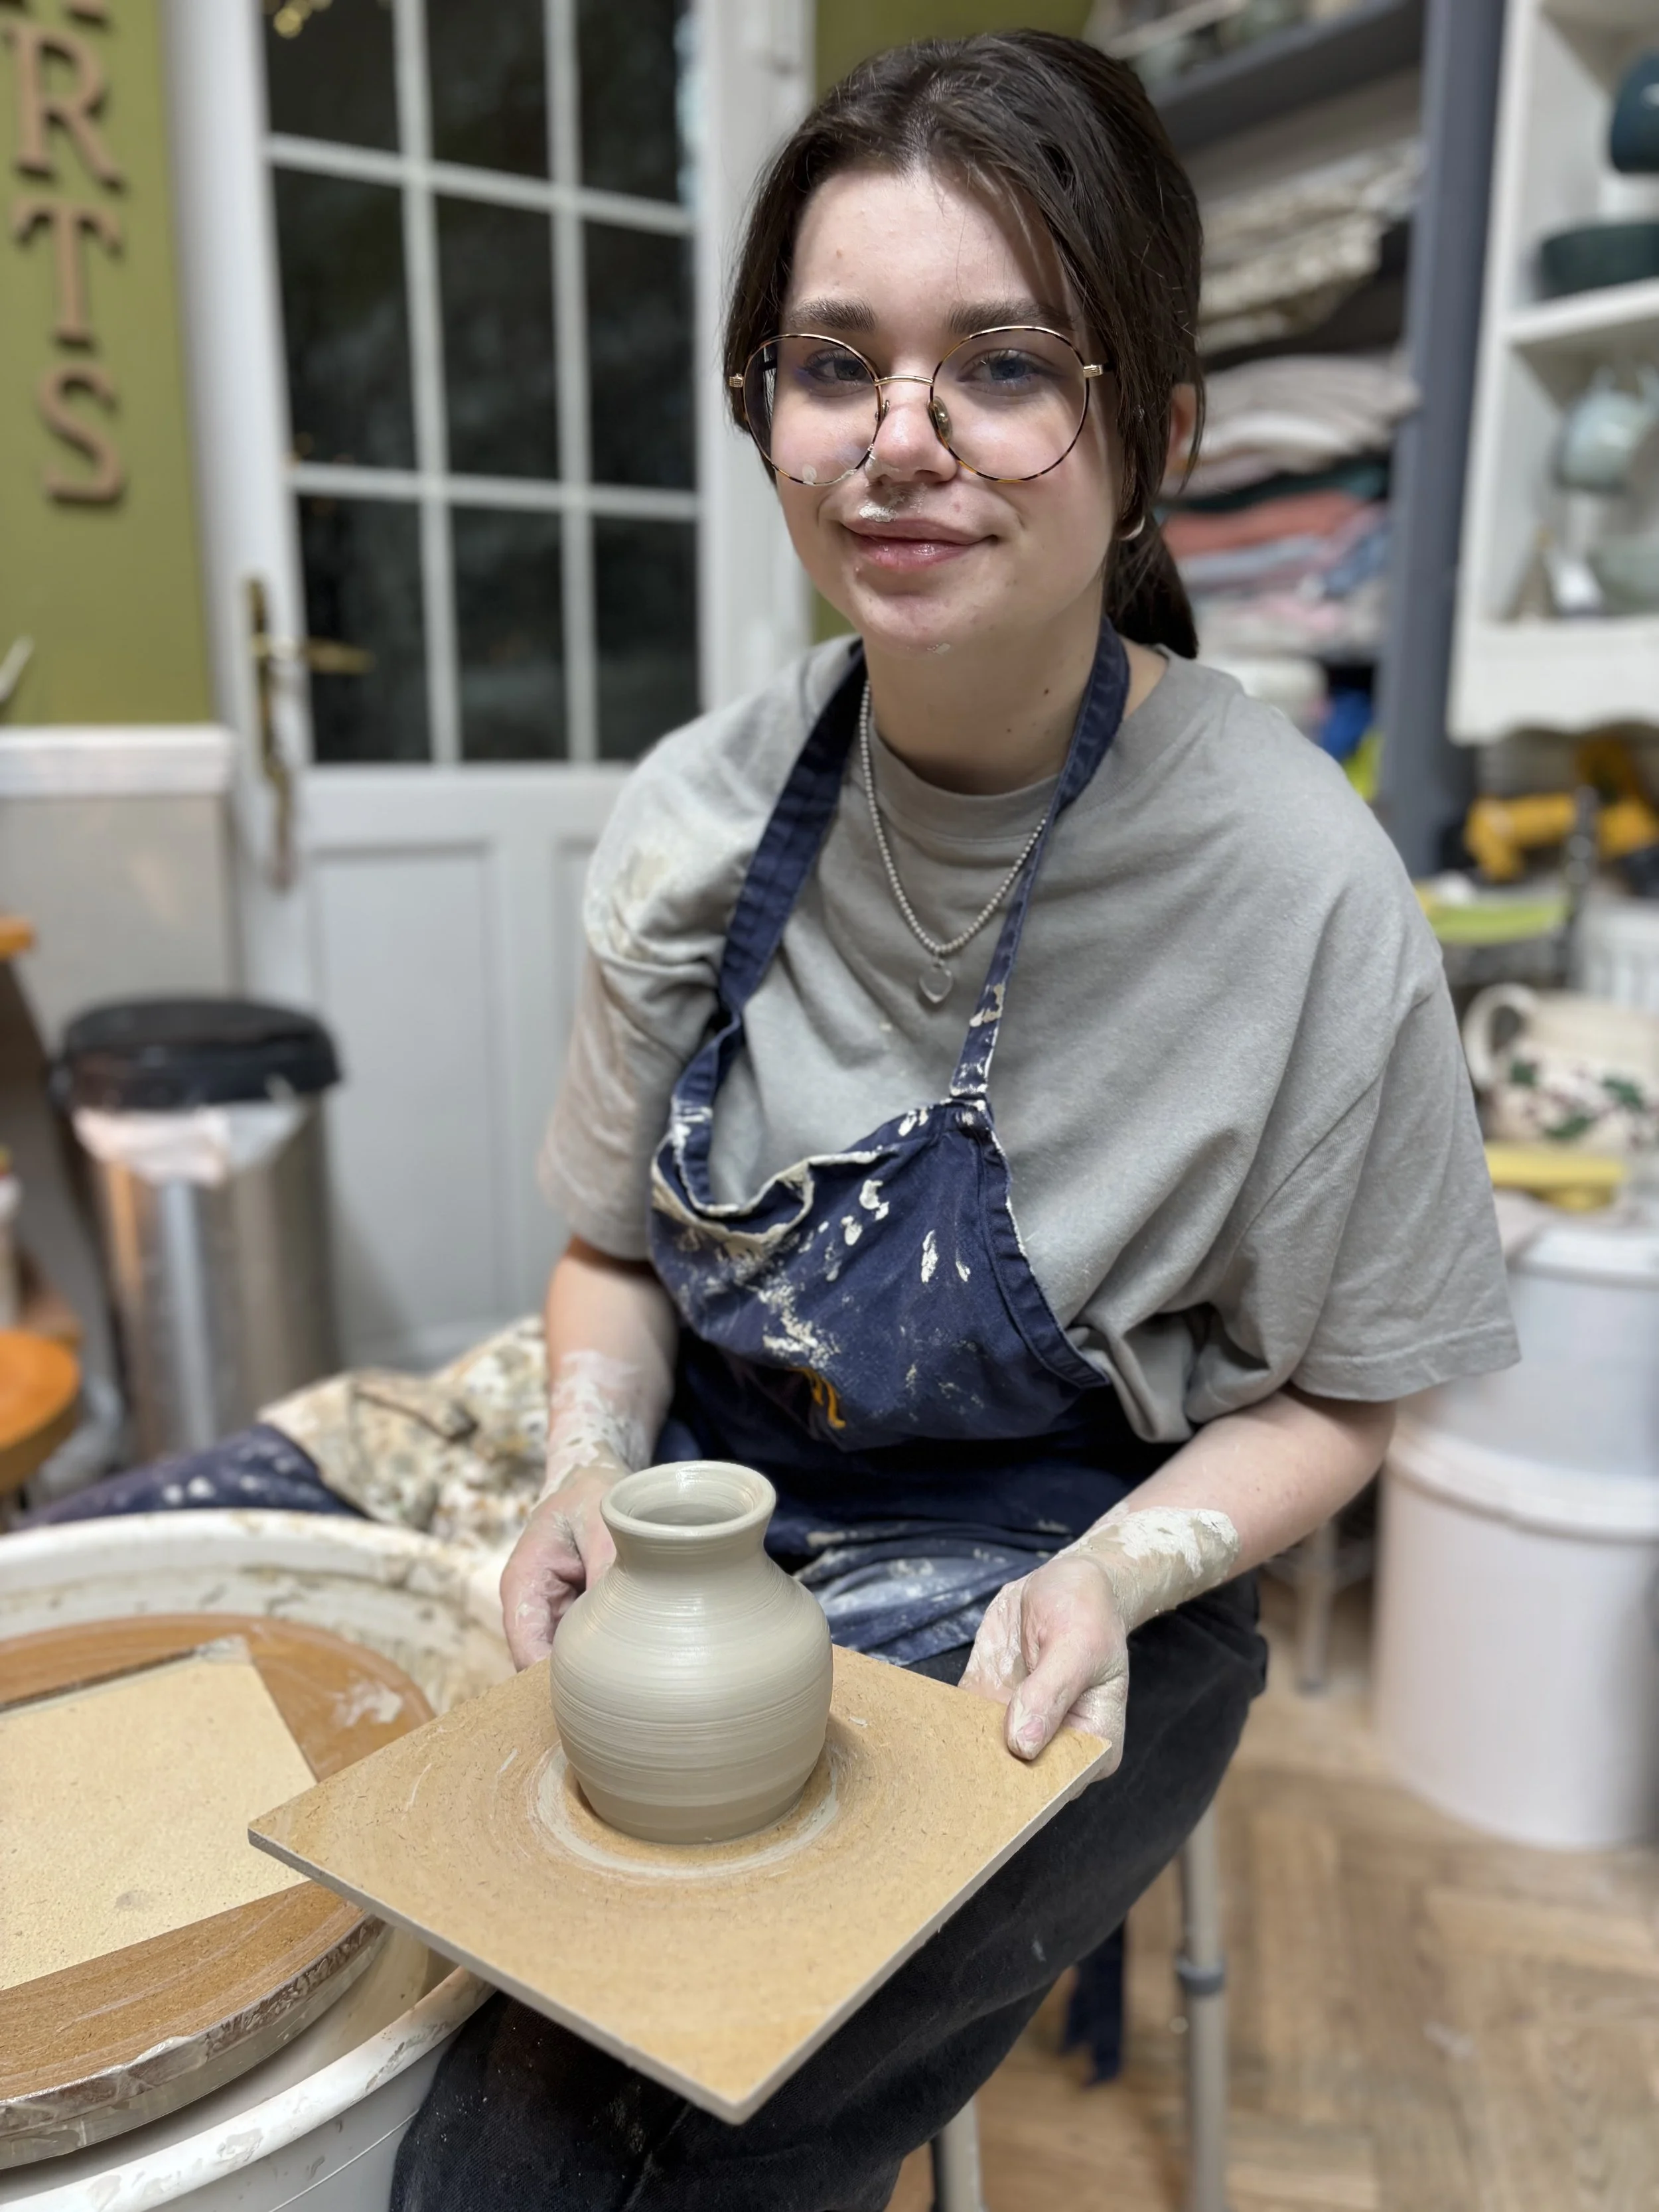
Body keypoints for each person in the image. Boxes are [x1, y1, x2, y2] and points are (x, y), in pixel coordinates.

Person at [395, 31, 1515, 2207]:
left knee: (562, 2146)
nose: (898, 446)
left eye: (1000, 364)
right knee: (417, 1956)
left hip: (1070, 1568)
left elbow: (1350, 1397)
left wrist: (1112, 1571)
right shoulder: (693, 820)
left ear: (1157, 433)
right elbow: (617, 1253)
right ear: (770, 416)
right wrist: (576, 1468)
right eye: (836, 365)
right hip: (722, 1510)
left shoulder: (1298, 889)